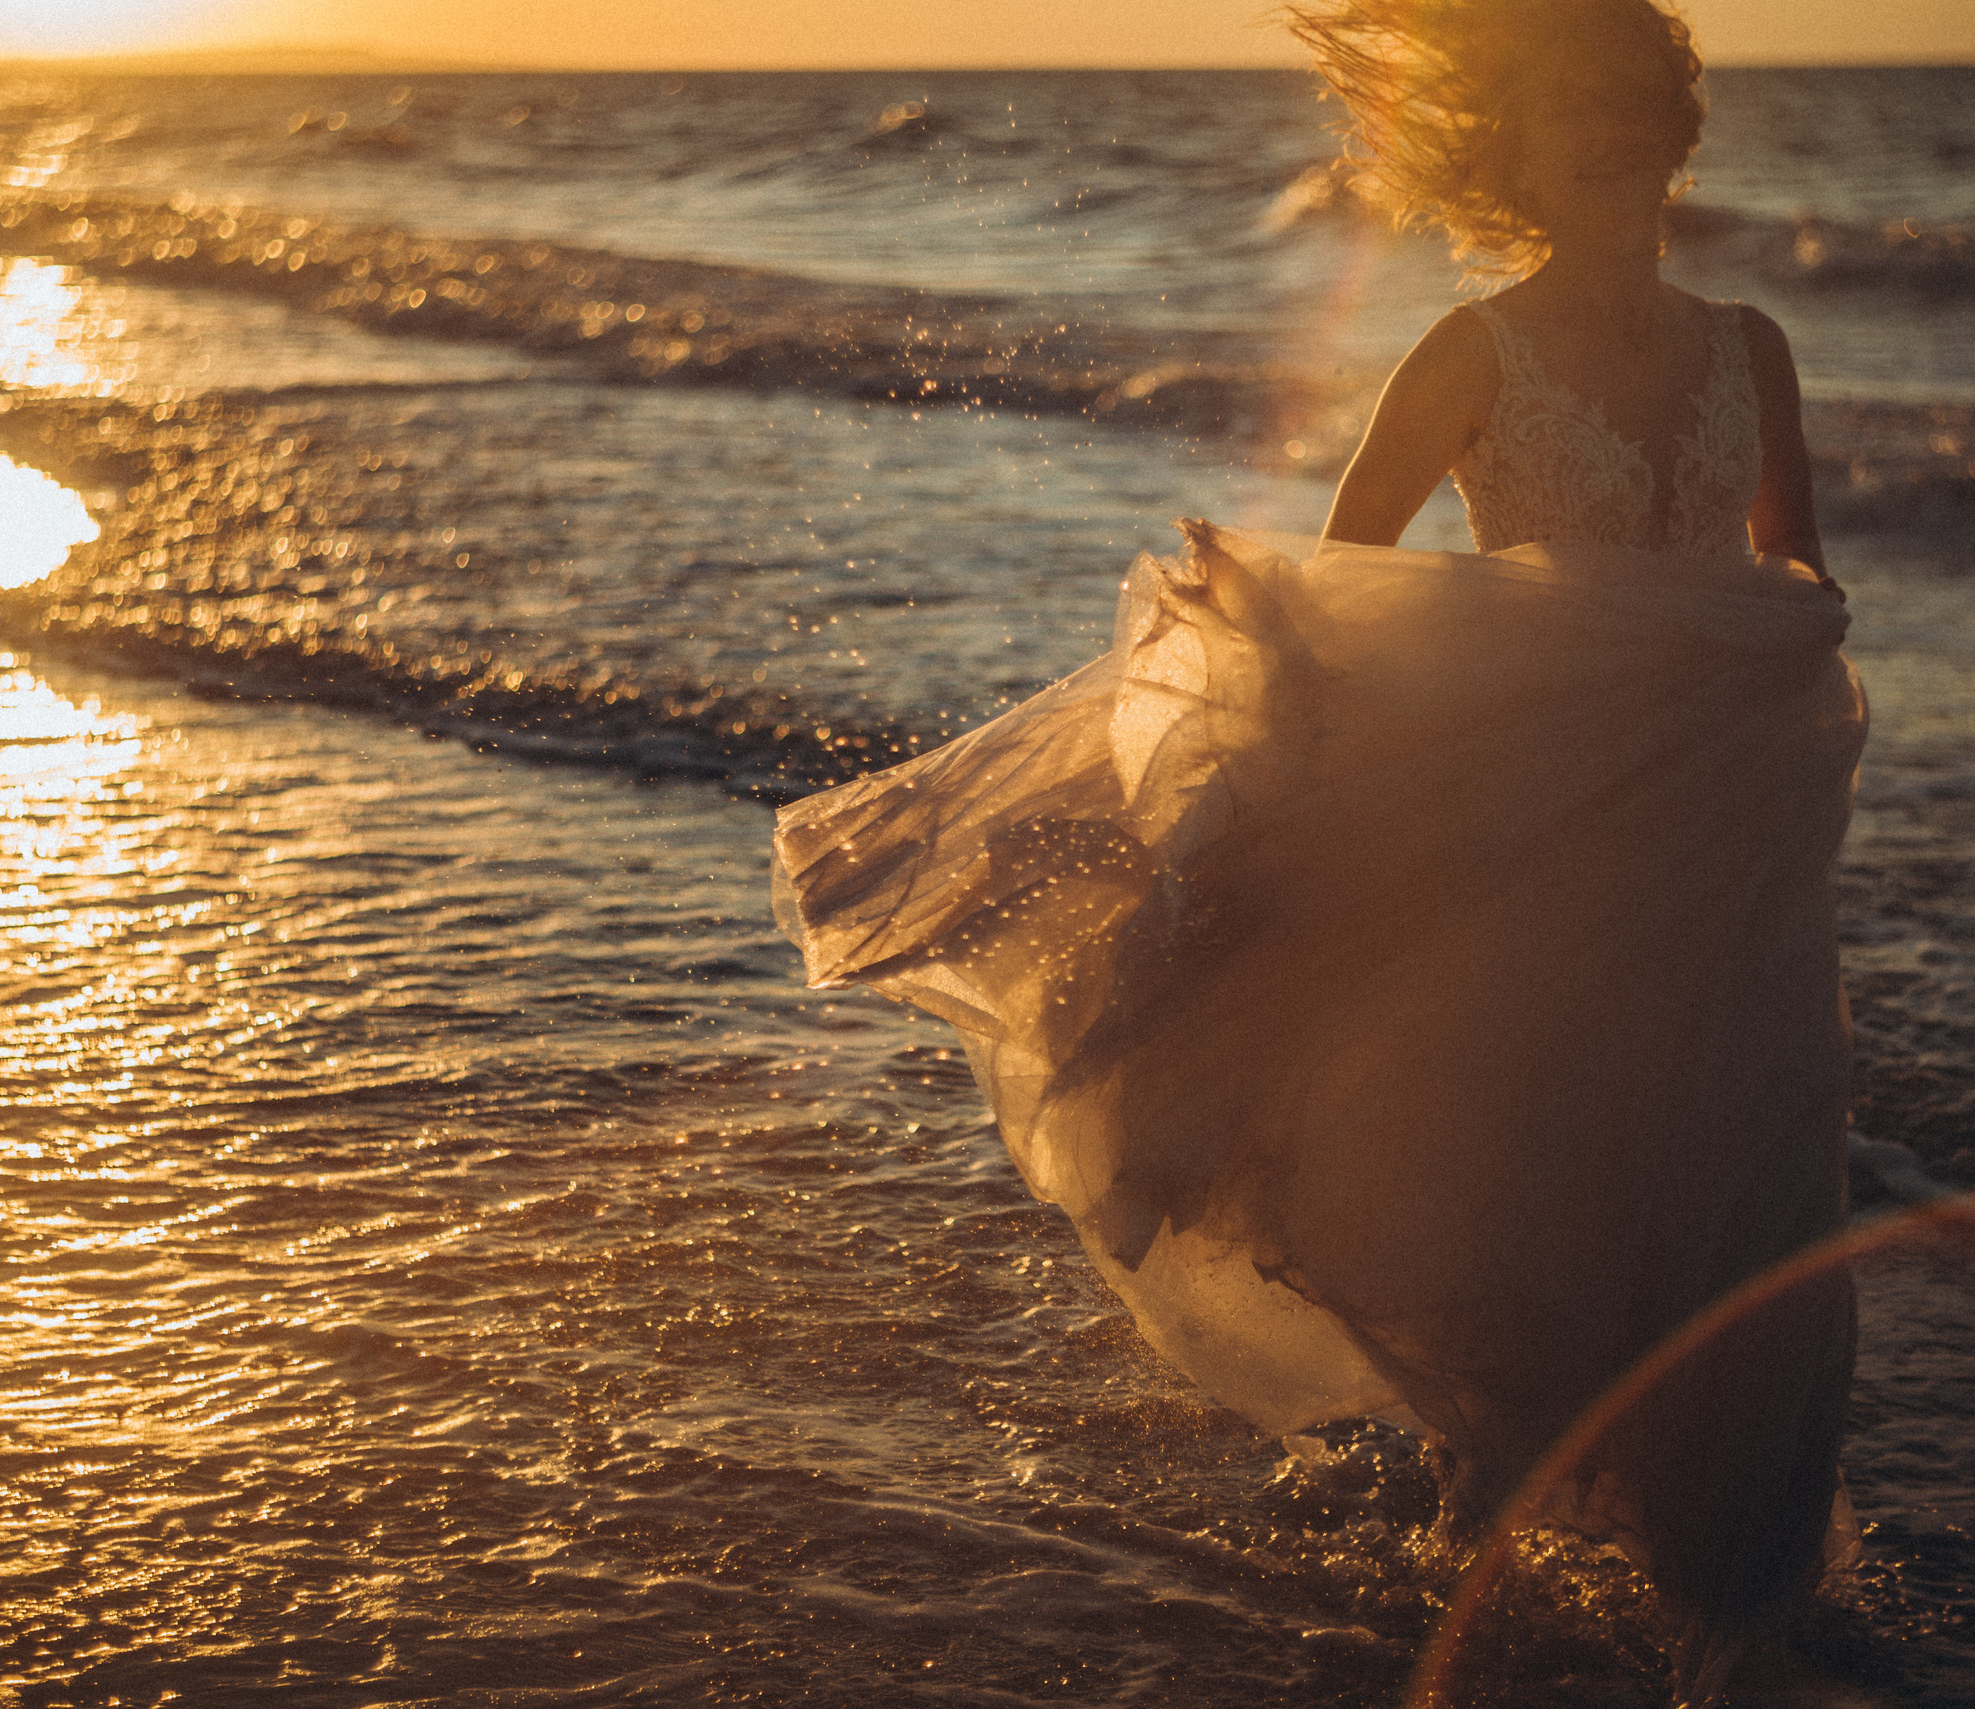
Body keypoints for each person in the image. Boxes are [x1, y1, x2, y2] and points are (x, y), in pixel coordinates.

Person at [771, 0, 1864, 1696]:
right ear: (1516, 151)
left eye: (1627, 108)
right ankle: (1482, 1563)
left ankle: (1733, 1579)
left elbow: (1793, 565)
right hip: (1532, 845)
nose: (1602, 140)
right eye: (1567, 114)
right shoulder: (1470, 355)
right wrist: (1250, 616)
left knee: (1738, 1177)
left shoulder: (1754, 345)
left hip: (1720, 857)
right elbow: (1351, 585)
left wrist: (1780, 633)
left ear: (1672, 130)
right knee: (1538, 1175)